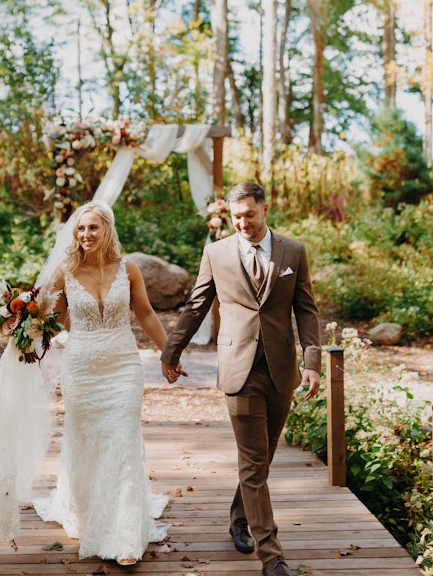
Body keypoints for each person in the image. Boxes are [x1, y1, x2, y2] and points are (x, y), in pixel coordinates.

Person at [160, 181, 322, 576]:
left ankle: (238, 518)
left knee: (261, 460)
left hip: (282, 369)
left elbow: (306, 310)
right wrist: (171, 351)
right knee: (253, 461)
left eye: (249, 214)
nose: (243, 223)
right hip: (239, 369)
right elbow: (196, 304)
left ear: (265, 209)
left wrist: (312, 361)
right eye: (236, 217)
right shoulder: (216, 253)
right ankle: (272, 555)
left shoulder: (294, 252)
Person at [33, 200, 170, 567]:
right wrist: (23, 325)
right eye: (80, 228)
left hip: (123, 366)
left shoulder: (129, 268)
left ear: (107, 229)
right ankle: (89, 511)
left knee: (122, 440)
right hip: (81, 369)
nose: (86, 234)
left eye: (93, 227)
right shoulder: (64, 272)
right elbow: (55, 322)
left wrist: (168, 354)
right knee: (88, 442)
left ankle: (125, 535)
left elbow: (145, 313)